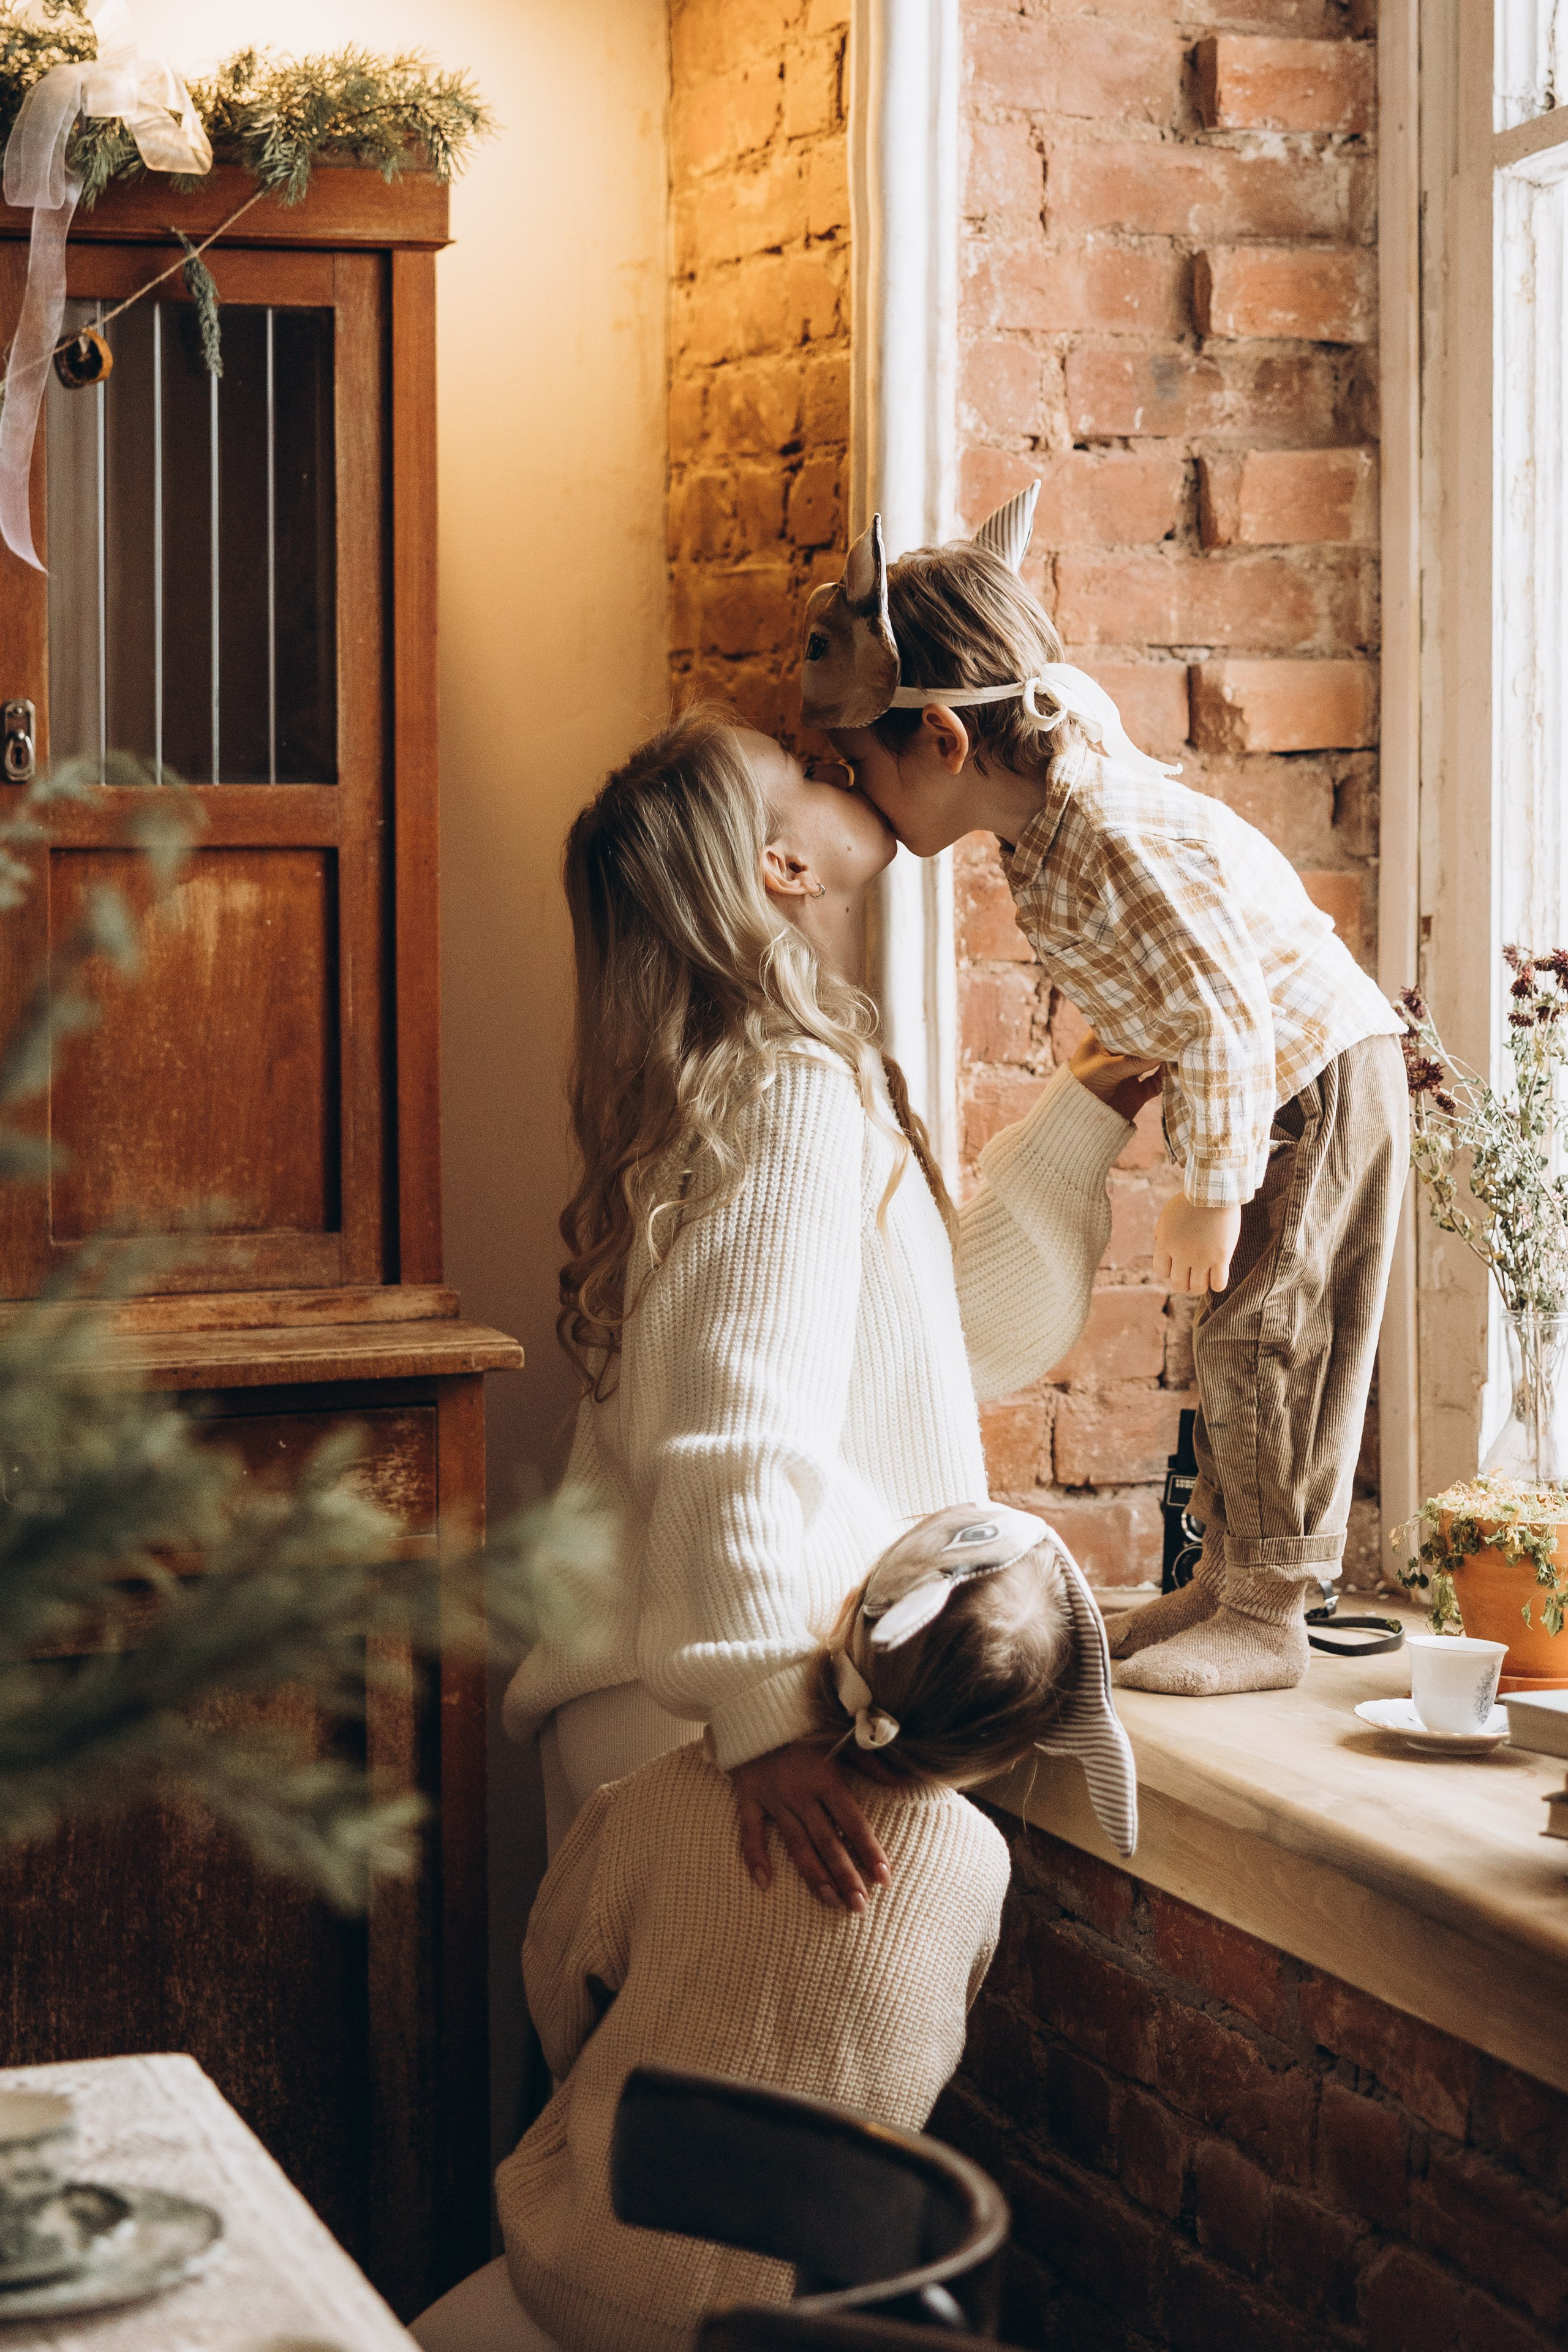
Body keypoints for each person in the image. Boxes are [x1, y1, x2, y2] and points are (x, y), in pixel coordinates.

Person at [498, 707, 1157, 1908]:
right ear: (784, 866)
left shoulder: (783, 1076)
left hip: (699, 1699)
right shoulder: (785, 1088)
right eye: (802, 771)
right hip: (709, 1722)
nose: (835, 760)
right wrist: (759, 1700)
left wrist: (1086, 1107)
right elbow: (728, 1421)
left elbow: (955, 1345)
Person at [802, 486, 1408, 1697]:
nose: (849, 787)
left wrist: (1212, 1190)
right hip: (1268, 1087)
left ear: (943, 742)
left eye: (855, 763)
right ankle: (1225, 1582)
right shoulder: (1045, 803)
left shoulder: (1102, 826)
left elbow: (1226, 1011)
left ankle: (1270, 1612)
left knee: (1270, 1339)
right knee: (1232, 1341)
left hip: (1307, 1087)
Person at [467, 1506, 1134, 2352]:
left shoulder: (651, 1799)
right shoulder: (979, 1866)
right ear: (1010, 1753)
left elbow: (555, 1985)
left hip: (573, 2276)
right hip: (812, 2325)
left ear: (850, 1606)